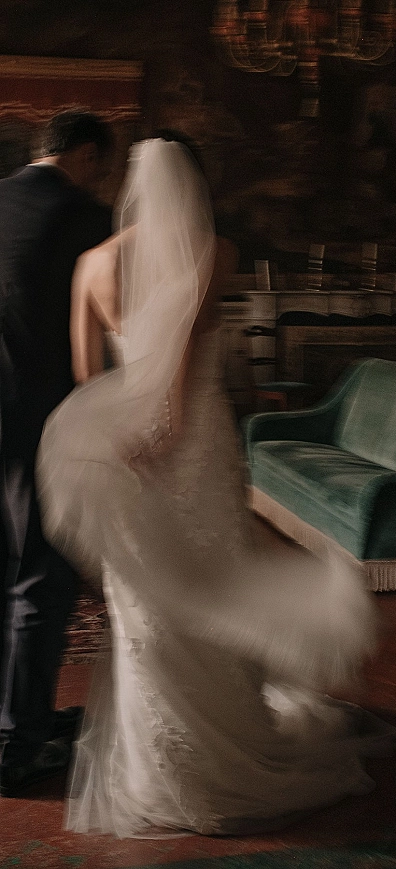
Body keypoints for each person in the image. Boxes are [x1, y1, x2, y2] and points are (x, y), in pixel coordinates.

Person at [36, 138, 396, 837]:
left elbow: (87, 377)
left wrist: (121, 436)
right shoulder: (214, 252)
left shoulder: (92, 264)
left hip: (123, 445)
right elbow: (185, 354)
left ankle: (157, 769)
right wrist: (169, 430)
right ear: (194, 188)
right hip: (197, 439)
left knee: (146, 602)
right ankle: (218, 748)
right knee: (211, 576)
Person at [0, 110, 113, 797]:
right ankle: (19, 744)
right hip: (42, 422)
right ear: (88, 154)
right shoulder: (85, 218)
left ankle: (19, 721)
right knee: (40, 578)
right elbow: (100, 331)